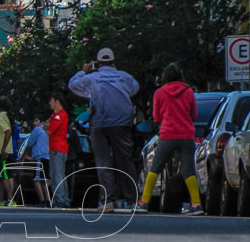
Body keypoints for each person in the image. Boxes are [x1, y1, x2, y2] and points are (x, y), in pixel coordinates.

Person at [68, 47, 140, 212]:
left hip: (100, 123)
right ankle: (133, 200)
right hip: (122, 123)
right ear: (114, 62)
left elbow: (73, 85)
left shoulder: (93, 78)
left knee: (103, 162)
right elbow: (135, 88)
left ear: (98, 63)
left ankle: (107, 200)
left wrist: (83, 71)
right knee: (125, 161)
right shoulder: (123, 76)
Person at [136, 63, 203, 215]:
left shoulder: (160, 93)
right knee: (188, 170)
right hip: (186, 135)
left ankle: (144, 203)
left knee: (155, 169)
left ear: (165, 77)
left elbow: (156, 117)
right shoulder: (188, 91)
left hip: (167, 135)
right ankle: (196, 204)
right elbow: (193, 115)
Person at [46, 91, 71, 208]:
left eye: (51, 101)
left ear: (57, 102)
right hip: (55, 148)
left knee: (57, 174)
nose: (50, 103)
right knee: (57, 174)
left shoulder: (60, 115)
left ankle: (61, 199)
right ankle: (62, 198)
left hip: (58, 148)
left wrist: (46, 125)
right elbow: (47, 126)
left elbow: (49, 129)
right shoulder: (54, 115)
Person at [0, 96, 16, 206]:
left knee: (4, 175)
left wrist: (3, 149)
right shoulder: (6, 116)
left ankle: (10, 198)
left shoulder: (0, 117)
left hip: (1, 151)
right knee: (0, 176)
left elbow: (7, 131)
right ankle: (0, 199)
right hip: (5, 150)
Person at [23, 116, 51, 207]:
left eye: (36, 120)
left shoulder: (38, 130)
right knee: (44, 179)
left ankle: (42, 200)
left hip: (40, 156)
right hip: (48, 156)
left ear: (41, 122)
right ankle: (48, 200)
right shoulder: (48, 130)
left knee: (37, 179)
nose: (35, 123)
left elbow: (30, 142)